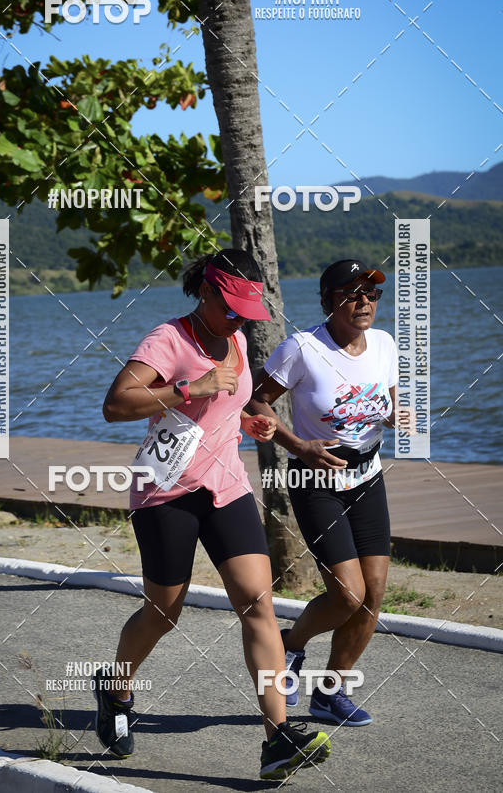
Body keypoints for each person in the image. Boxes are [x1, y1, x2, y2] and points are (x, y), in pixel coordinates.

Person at [96, 248, 332, 780]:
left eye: (245, 312)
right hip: (165, 493)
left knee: (258, 605)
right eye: (230, 308)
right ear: (205, 293)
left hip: (226, 488)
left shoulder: (239, 340)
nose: (238, 320)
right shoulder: (169, 340)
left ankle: (276, 738)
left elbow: (240, 404)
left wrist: (256, 422)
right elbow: (116, 404)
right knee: (163, 612)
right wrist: (190, 387)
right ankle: (115, 689)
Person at [250, 259, 399, 727]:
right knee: (347, 594)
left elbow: (387, 395)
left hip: (368, 476)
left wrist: (394, 414)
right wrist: (296, 444)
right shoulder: (302, 348)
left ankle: (330, 692)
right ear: (328, 299)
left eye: (372, 295)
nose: (365, 303)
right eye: (353, 294)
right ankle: (291, 648)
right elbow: (256, 401)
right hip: (317, 481)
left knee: (373, 594)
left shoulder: (384, 343)